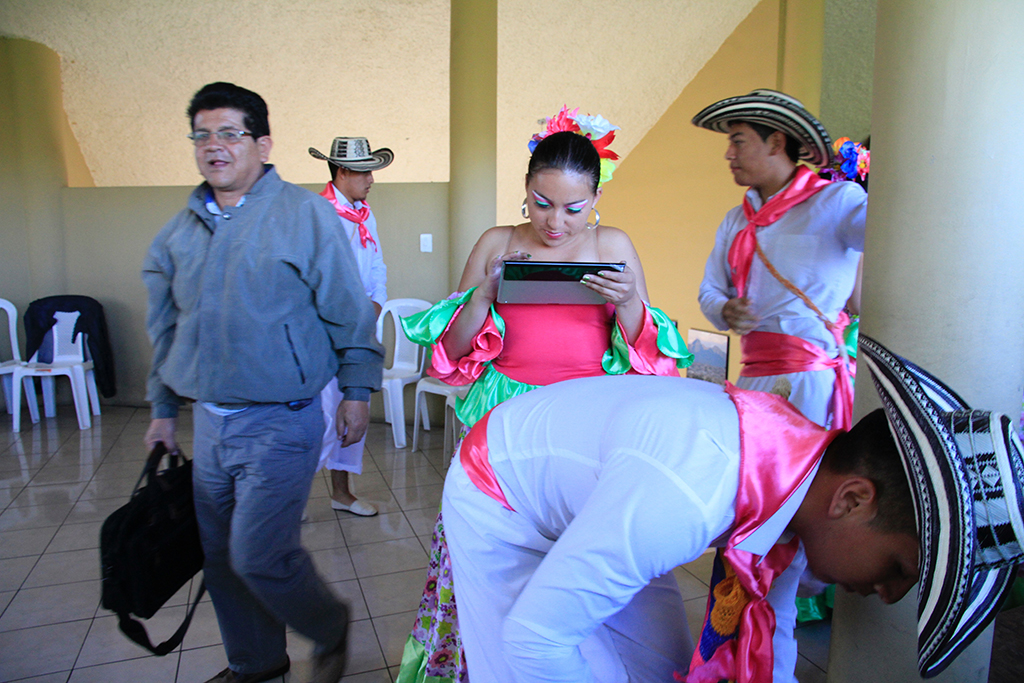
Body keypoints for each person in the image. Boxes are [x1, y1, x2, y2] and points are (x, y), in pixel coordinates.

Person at [441, 334, 1024, 683]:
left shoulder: (802, 482)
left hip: (601, 493)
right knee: (524, 664)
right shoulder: (688, 492)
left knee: (655, 666)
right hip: (501, 493)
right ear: (853, 499)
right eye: (901, 567)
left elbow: (776, 629)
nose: (891, 595)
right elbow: (534, 641)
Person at [395, 108, 693, 683]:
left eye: (574, 207)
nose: (556, 222)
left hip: (589, 421)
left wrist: (629, 300)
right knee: (492, 559)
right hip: (504, 419)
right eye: (541, 202)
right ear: (525, 193)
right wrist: (483, 294)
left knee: (586, 552)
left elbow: (648, 354)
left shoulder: (614, 244)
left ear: (596, 196)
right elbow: (452, 352)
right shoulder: (496, 242)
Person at [142, 82, 383, 683]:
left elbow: (348, 309)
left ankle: (328, 627)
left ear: (261, 143)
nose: (214, 146)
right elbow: (168, 328)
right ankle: (256, 663)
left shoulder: (304, 215)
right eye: (202, 134)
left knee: (259, 554)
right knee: (222, 560)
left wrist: (356, 388)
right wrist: (164, 407)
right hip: (212, 427)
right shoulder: (181, 231)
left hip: (283, 418)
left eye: (229, 133)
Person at [693, 89, 867, 431]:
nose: (729, 153)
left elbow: (883, 233)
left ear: (775, 142)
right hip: (752, 375)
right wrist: (725, 310)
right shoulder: (736, 220)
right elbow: (710, 291)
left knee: (802, 476)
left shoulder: (836, 202)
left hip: (809, 378)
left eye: (738, 142)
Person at [309, 136, 394, 517]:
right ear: (342, 172)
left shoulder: (366, 212)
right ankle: (292, 496)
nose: (372, 179)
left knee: (352, 407)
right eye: (365, 172)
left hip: (360, 327)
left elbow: (377, 263)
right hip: (324, 330)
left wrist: (375, 305)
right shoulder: (318, 214)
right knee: (319, 413)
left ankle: (341, 492)